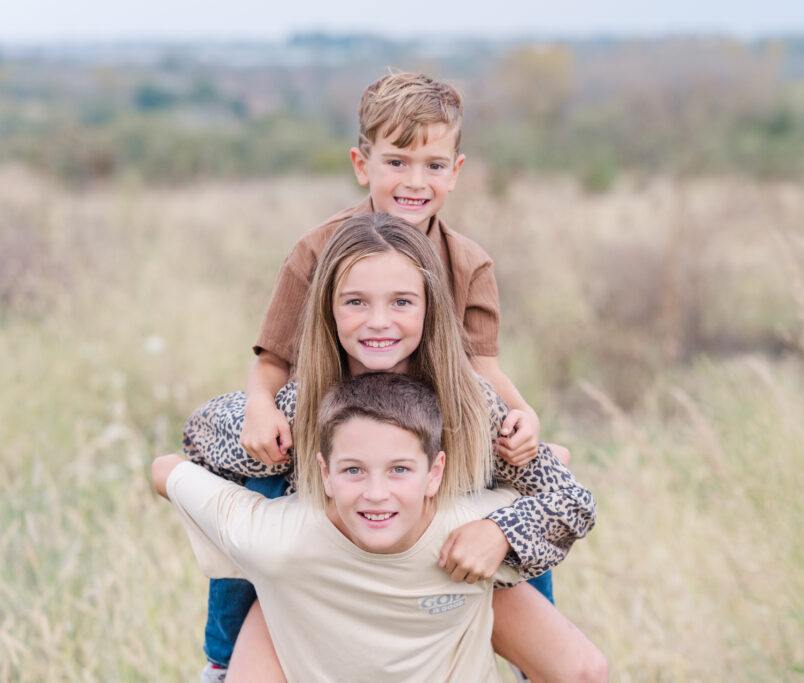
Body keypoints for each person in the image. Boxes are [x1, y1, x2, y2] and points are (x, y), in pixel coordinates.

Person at [186, 71, 565, 676]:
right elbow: (272, 360)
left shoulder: (468, 262)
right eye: (396, 162)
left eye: (433, 165)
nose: (415, 181)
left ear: (456, 171)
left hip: (423, 422)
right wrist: (260, 408)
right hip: (331, 421)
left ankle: (532, 656)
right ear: (362, 164)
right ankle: (225, 655)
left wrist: (522, 415)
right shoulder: (318, 249)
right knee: (257, 499)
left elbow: (483, 366)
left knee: (515, 500)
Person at [185, 213, 606, 682]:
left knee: (581, 668)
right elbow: (197, 440)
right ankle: (222, 661)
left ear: (429, 308)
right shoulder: (299, 406)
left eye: (402, 302)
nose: (379, 322)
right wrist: (256, 413)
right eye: (356, 302)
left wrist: (501, 532)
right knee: (259, 485)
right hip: (320, 577)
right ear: (329, 310)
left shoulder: (471, 407)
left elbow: (571, 499)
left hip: (441, 568)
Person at [155, 372, 542, 681]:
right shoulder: (280, 538)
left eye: (399, 469)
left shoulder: (468, 528)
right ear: (324, 473)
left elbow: (164, 470)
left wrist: (501, 531)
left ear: (435, 472)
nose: (376, 494)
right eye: (353, 470)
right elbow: (165, 471)